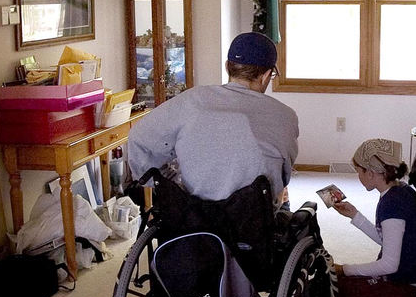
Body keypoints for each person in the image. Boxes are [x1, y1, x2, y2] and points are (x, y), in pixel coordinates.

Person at [127, 31, 298, 203]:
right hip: (254, 220)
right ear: (266, 76)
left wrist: (168, 183)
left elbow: (138, 139)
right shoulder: (285, 115)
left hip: (194, 216)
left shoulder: (193, 99)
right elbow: (283, 175)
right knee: (285, 200)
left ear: (227, 67)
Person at [331, 138, 416, 297]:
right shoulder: (401, 191)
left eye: (359, 171)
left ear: (371, 173)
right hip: (406, 281)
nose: (358, 177)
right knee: (335, 281)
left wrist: (344, 269)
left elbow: (389, 264)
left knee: (333, 290)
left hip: (401, 286)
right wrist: (355, 215)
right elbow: (389, 240)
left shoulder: (392, 204)